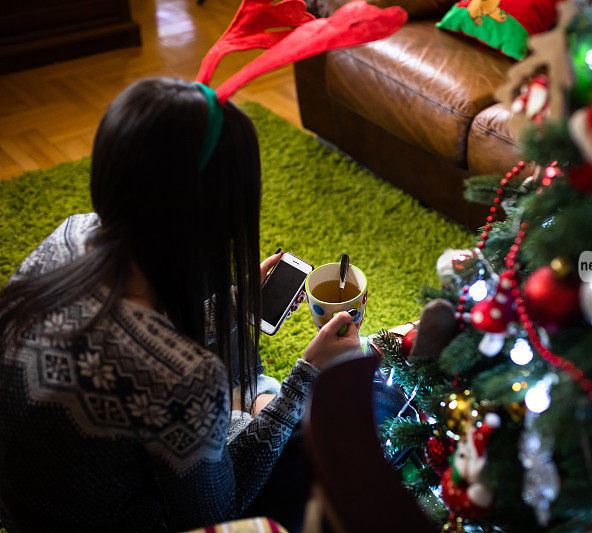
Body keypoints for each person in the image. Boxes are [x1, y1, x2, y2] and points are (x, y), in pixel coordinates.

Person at [0, 77, 362, 532]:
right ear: (213, 219)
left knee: (250, 400)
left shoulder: (71, 234)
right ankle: (262, 402)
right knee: (311, 454)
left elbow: (120, 346)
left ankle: (252, 402)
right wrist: (304, 378)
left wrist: (231, 304)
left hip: (26, 511)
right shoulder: (184, 375)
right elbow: (215, 514)